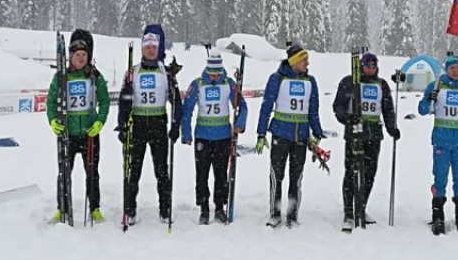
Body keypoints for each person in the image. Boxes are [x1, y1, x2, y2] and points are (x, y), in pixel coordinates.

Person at [116, 25, 182, 224]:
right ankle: (130, 209)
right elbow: (124, 101)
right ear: (142, 49)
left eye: (154, 47)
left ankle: (165, 208)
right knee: (133, 170)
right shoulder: (132, 72)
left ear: (158, 49)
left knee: (161, 170)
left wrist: (176, 125)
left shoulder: (166, 72)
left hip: (158, 123)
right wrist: (122, 126)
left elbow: (177, 102)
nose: (151, 50)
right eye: (147, 47)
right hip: (137, 124)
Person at [256, 44, 325, 228]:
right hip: (280, 134)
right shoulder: (277, 78)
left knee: (296, 178)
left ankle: (292, 215)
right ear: (294, 61)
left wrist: (317, 132)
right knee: (276, 176)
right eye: (304, 60)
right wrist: (261, 133)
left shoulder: (310, 81)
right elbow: (266, 107)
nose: (307, 63)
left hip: (301, 136)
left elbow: (313, 110)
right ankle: (275, 213)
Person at [47, 29, 110, 223]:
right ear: (70, 56)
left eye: (84, 55)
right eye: (77, 55)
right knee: (64, 174)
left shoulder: (95, 76)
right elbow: (51, 102)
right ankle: (62, 209)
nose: (81, 58)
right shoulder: (61, 77)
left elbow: (105, 101)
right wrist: (53, 121)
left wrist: (100, 121)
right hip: (68, 134)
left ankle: (95, 209)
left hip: (90, 133)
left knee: (92, 174)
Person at [332, 52, 400, 230]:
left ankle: (361, 207)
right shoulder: (350, 82)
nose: (371, 69)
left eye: (374, 66)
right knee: (351, 172)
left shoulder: (381, 84)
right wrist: (347, 118)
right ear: (361, 66)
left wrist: (391, 128)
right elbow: (338, 106)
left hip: (373, 134)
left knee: (370, 173)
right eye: (367, 66)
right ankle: (348, 211)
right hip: (354, 133)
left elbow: (387, 109)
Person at [417, 54, 458, 235]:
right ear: (446, 70)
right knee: (440, 178)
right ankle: (438, 216)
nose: (455, 71)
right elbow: (422, 110)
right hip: (441, 141)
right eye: (452, 68)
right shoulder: (437, 86)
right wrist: (429, 98)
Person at [181, 49, 248, 224]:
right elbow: (187, 110)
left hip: (223, 137)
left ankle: (219, 207)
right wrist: (186, 133)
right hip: (202, 137)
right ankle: (203, 208)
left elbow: (241, 105)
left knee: (221, 174)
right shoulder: (197, 84)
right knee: (201, 174)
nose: (214, 77)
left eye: (217, 73)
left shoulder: (229, 84)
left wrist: (240, 123)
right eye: (211, 73)